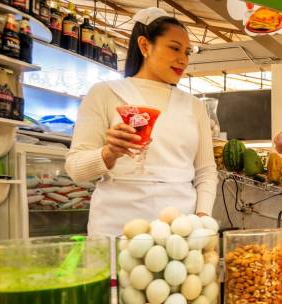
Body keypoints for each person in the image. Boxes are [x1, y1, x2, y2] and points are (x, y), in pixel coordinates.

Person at [66, 8, 217, 236]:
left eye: (187, 52)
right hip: (116, 226)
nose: (183, 59)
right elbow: (75, 168)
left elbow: (205, 171)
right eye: (175, 48)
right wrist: (109, 153)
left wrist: (202, 217)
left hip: (178, 230)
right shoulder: (105, 93)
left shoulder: (194, 106)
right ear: (145, 46)